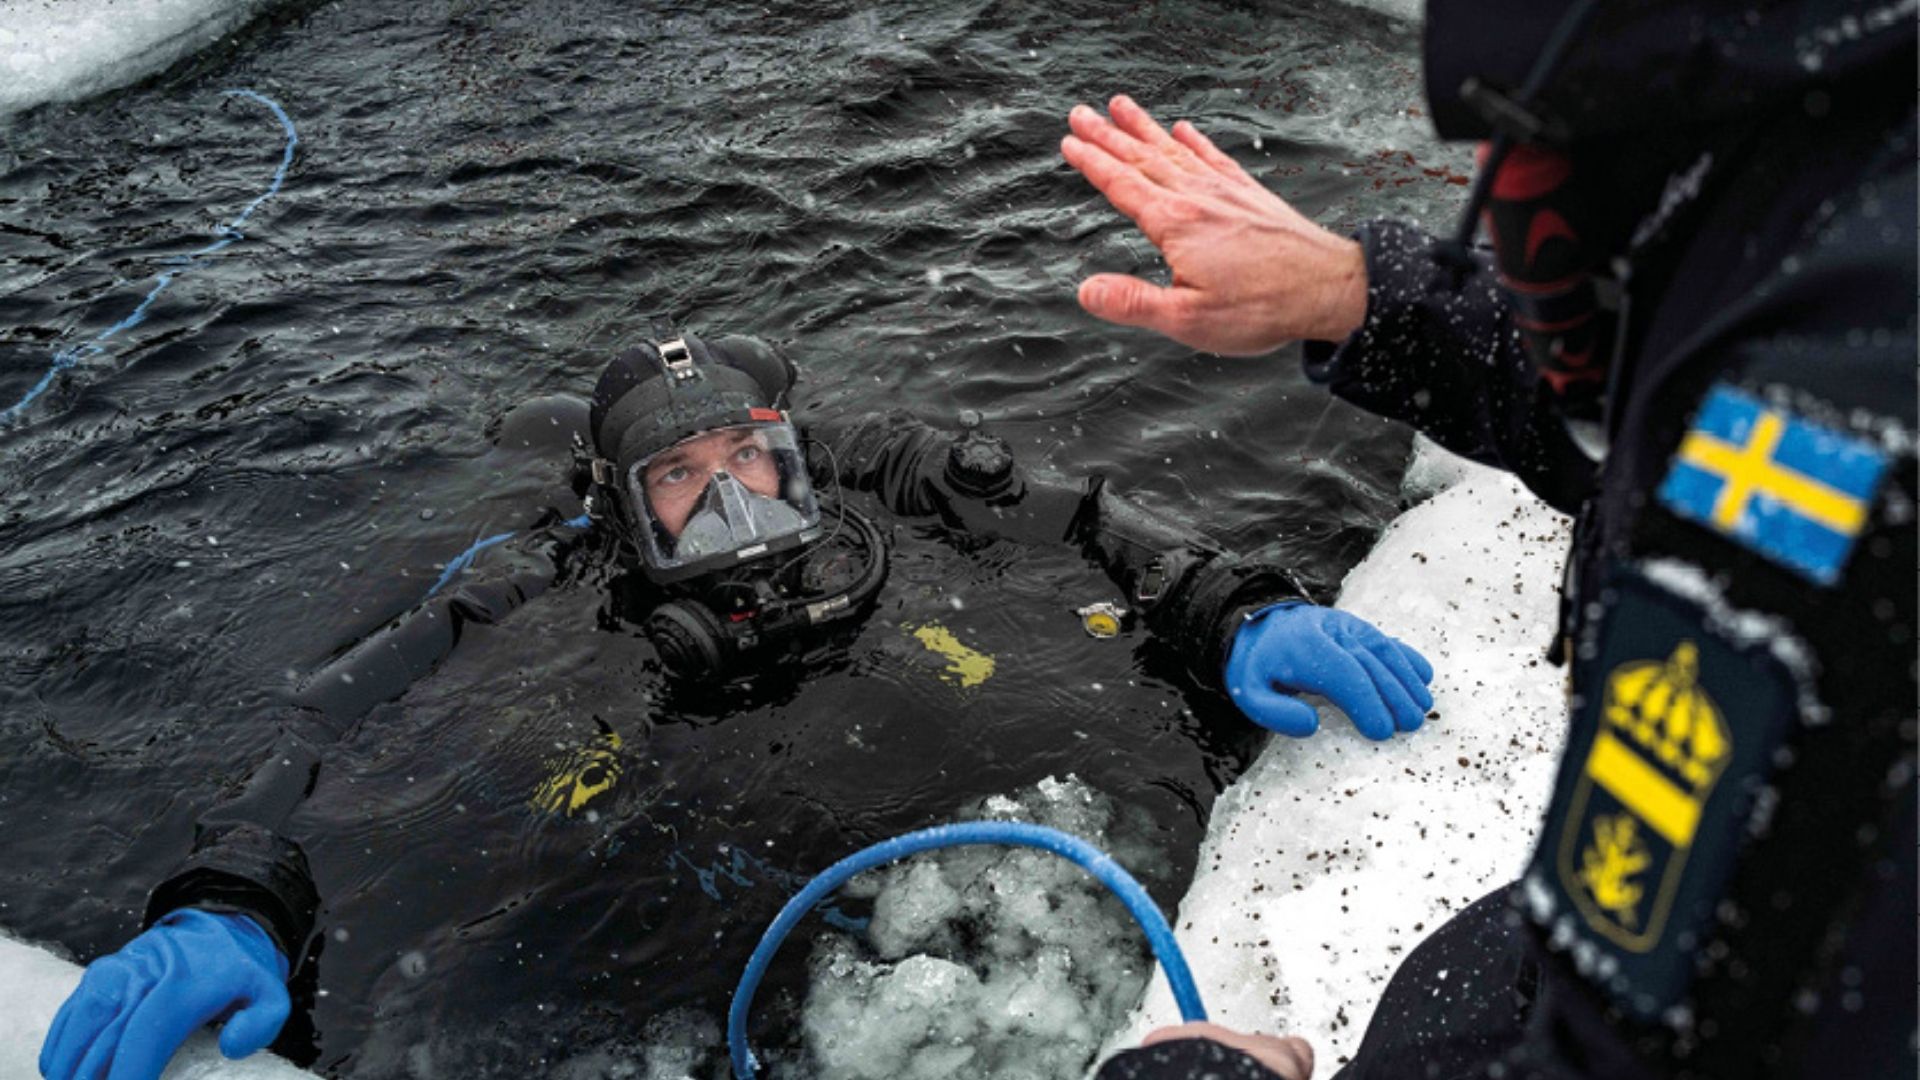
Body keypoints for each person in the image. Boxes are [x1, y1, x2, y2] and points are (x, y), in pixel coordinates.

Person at [38, 331, 1436, 1080]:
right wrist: (235, 894)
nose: (726, 502)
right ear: (619, 502)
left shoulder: (874, 471)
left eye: (746, 462)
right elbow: (342, 719)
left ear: (791, 448)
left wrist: (1224, 601)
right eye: (676, 481)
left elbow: (1086, 520)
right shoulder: (549, 576)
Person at [1066, 0, 1915, 1077]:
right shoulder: (1825, 218)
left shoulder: (1826, 490)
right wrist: (1361, 296)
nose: (1497, 208)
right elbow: (1655, 405)